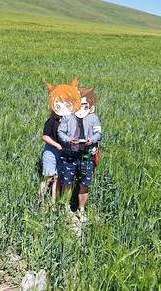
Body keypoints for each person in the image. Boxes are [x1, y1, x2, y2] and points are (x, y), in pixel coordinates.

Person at [57, 87, 101, 222]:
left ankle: (81, 210)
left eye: (84, 104)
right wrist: (69, 140)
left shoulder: (94, 118)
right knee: (67, 182)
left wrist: (92, 140)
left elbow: (98, 134)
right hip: (70, 154)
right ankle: (66, 208)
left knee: (84, 184)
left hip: (87, 155)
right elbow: (60, 132)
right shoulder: (67, 117)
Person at [39, 111, 63, 204]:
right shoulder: (51, 120)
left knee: (57, 178)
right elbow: (45, 137)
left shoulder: (66, 121)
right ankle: (41, 202)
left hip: (62, 151)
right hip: (51, 151)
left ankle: (53, 204)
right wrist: (56, 145)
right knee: (48, 177)